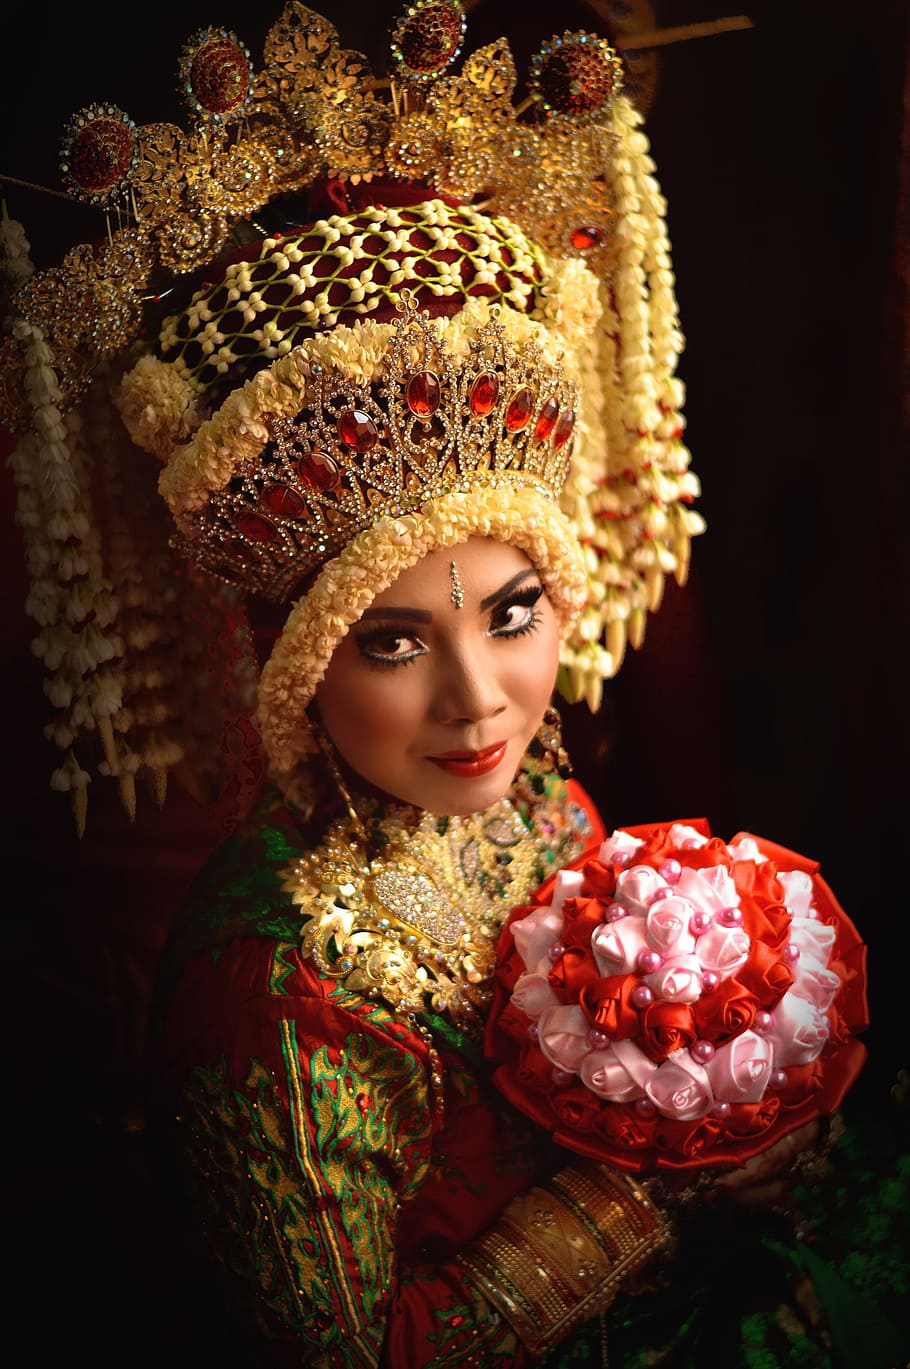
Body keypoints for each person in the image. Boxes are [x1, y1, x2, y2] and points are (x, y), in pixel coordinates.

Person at [1, 3, 906, 1366]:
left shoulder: (538, 805)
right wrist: (649, 1190)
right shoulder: (275, 980)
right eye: (393, 639)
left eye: (512, 610)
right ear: (297, 657)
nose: (479, 700)